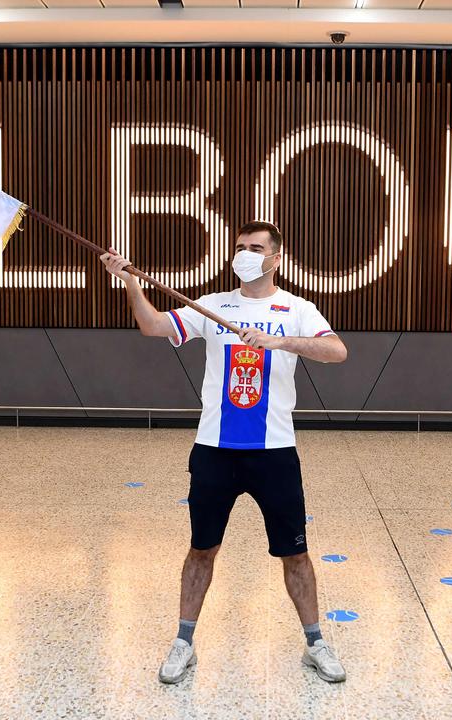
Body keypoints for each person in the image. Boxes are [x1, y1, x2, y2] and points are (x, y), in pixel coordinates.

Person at [99, 221, 350, 685]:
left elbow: (336, 351)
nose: (245, 254)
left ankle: (315, 641)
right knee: (201, 549)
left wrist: (279, 340)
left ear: (276, 258)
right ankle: (183, 642)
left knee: (295, 554)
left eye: (256, 248)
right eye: (240, 247)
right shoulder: (211, 307)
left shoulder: (296, 309)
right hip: (215, 450)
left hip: (274, 453)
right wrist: (130, 281)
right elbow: (154, 326)